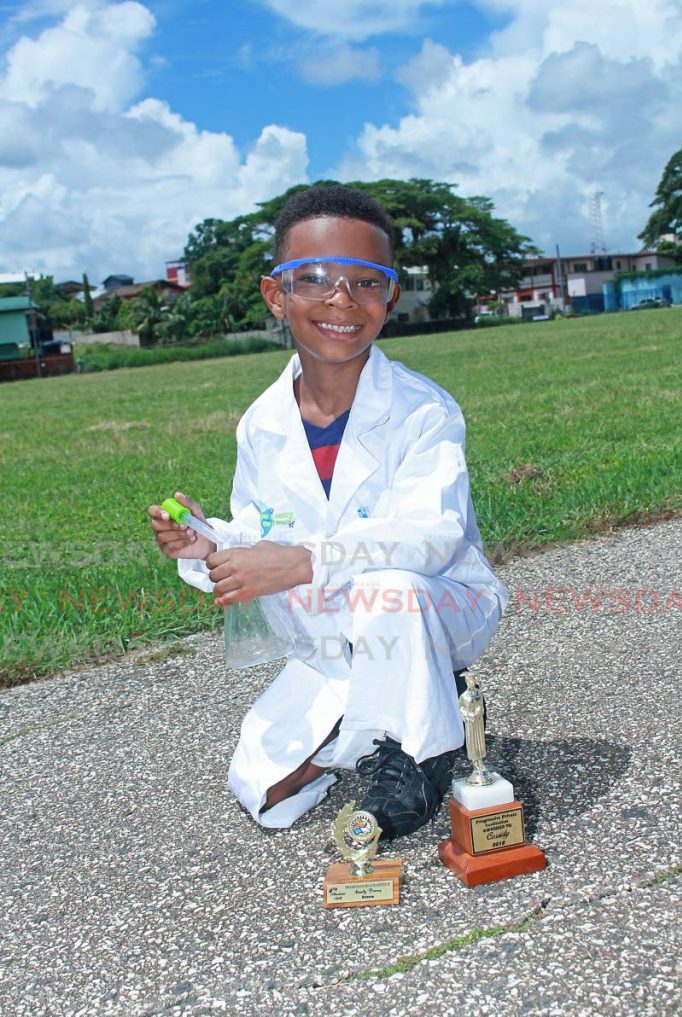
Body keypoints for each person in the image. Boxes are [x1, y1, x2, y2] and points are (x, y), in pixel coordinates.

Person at [148, 184, 507, 840]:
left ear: (390, 296)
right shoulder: (262, 423)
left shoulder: (422, 410)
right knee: (263, 792)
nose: (341, 301)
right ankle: (367, 711)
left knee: (389, 587)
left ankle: (418, 750)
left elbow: (430, 538)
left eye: (366, 281)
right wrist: (205, 546)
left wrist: (305, 560)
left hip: (434, 604)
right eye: (313, 278)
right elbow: (259, 531)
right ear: (275, 295)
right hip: (331, 631)